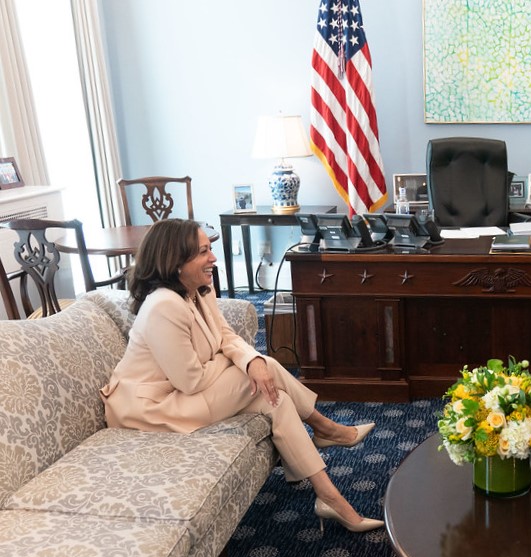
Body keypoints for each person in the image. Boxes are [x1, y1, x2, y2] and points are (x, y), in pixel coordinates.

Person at [99, 219, 383, 533]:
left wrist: (250, 362)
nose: (213, 258)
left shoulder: (198, 290)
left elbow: (226, 336)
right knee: (269, 370)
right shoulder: (162, 306)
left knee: (273, 396)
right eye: (203, 252)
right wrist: (251, 362)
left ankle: (328, 494)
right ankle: (325, 427)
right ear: (176, 262)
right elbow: (191, 380)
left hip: (183, 392)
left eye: (211, 249)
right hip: (152, 407)